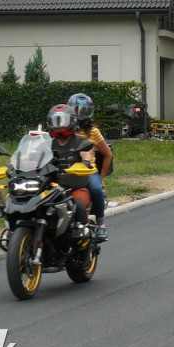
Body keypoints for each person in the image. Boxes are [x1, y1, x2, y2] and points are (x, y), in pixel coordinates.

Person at [67, 93, 113, 242]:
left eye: (84, 111)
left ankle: (100, 224)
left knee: (95, 189)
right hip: (67, 170)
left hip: (88, 171)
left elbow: (107, 154)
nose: (80, 115)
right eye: (76, 110)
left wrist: (101, 178)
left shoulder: (93, 131)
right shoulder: (65, 129)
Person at [46, 104, 97, 236]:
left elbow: (87, 152)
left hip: (74, 187)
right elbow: (33, 154)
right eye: (56, 121)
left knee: (78, 204)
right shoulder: (47, 143)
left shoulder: (80, 142)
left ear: (71, 121)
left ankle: (84, 235)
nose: (59, 125)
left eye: (62, 121)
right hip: (50, 187)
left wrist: (85, 162)